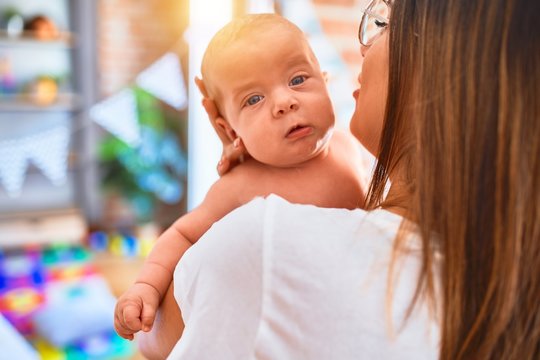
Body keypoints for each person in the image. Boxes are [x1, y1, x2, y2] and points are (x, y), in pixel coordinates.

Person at [138, 0, 539, 358]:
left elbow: (152, 337)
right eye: (253, 99)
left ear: (444, 62)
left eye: (386, 22)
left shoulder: (267, 244)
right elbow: (184, 235)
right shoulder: (506, 281)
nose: (364, 44)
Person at [114, 14, 369, 340]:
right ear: (229, 129)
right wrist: (146, 286)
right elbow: (183, 235)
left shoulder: (349, 147)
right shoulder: (240, 186)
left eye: (298, 79)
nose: (284, 102)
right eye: (253, 99)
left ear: (325, 78)